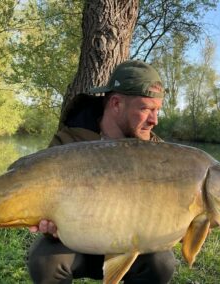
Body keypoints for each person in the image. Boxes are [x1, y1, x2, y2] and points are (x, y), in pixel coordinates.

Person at [27, 60, 176, 283]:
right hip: (75, 243)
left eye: (157, 110)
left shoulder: (158, 154)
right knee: (44, 261)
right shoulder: (70, 140)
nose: (154, 120)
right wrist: (48, 223)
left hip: (130, 245)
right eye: (146, 109)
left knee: (161, 262)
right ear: (116, 103)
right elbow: (43, 200)